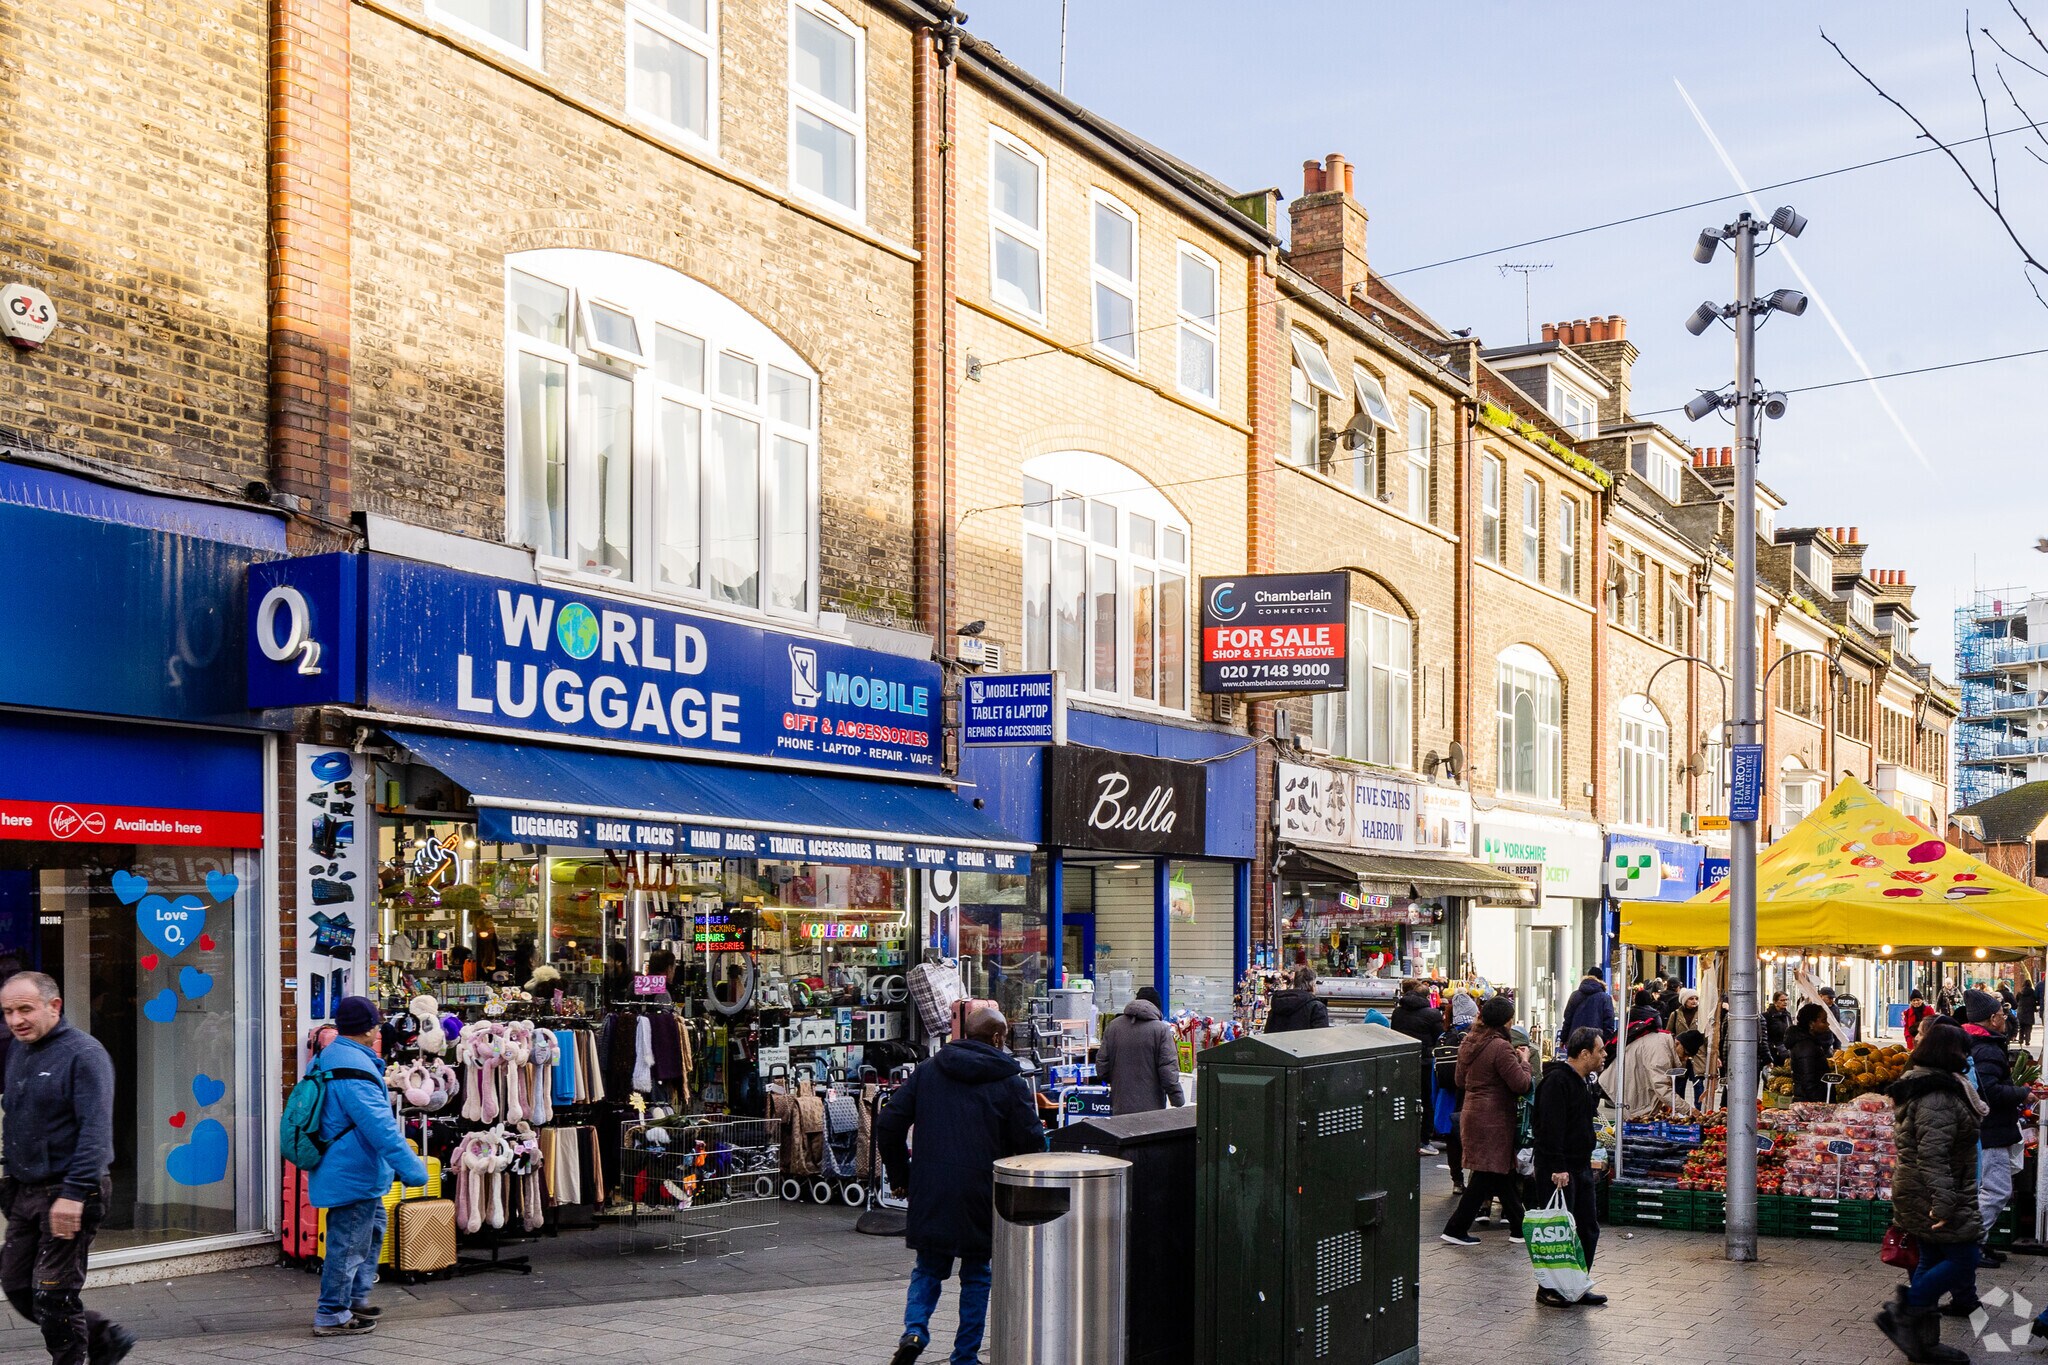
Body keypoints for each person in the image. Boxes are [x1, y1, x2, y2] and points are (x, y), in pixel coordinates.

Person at [878, 1008, 1045, 1365]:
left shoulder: (928, 1071)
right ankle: (965, 1356)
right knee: (977, 1274)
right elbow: (1032, 1142)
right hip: (983, 1192)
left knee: (928, 1268)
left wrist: (901, 1175)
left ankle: (914, 1330)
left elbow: (889, 1123)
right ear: (997, 1038)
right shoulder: (1010, 1082)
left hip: (931, 1188)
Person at [0, 973, 135, 1365]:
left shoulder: (84, 1054)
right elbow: (15, 1118)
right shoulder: (19, 1050)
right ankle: (103, 1337)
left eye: (25, 1009)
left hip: (70, 1190)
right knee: (17, 1285)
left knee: (53, 1292)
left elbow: (96, 1132)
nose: (15, 1020)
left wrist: (74, 1194)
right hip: (26, 1190)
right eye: (8, 1011)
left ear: (54, 1006)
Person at [309, 997, 430, 1338]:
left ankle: (354, 1299)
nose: (379, 1030)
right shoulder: (354, 1069)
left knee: (371, 1230)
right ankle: (332, 1313)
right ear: (368, 1029)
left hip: (346, 1165)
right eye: (377, 1024)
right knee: (348, 1244)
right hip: (352, 1169)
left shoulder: (330, 1055)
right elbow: (381, 1128)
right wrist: (413, 1170)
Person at [1875, 1019, 1981, 1365]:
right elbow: (1933, 1154)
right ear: (1951, 1052)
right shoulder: (1937, 1095)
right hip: (1933, 1189)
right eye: (1964, 1051)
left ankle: (1922, 1344)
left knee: (1932, 1258)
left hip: (1924, 1186)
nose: (1967, 1057)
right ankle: (1905, 1311)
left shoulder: (1930, 1085)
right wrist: (1944, 1202)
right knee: (1965, 1257)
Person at [1439, 997, 1532, 1248]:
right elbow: (1521, 1084)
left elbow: (1460, 1080)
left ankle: (1519, 1227)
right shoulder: (1500, 1047)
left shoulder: (1469, 1041)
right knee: (1489, 1173)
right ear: (1506, 1021)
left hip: (1472, 1113)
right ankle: (1456, 1228)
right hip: (1494, 1119)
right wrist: (1525, 1062)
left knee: (1498, 1173)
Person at [1532, 1026, 1609, 1308]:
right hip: (1560, 1169)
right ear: (1584, 1053)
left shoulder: (1583, 1081)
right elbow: (1549, 1128)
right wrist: (1558, 1167)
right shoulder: (1556, 1082)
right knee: (1558, 1231)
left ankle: (1576, 1284)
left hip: (1580, 1165)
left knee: (1587, 1228)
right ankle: (1549, 1288)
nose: (1604, 1054)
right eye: (1600, 1050)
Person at [1962, 990, 2030, 1272]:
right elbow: (1990, 1091)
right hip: (1990, 1130)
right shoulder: (1987, 1048)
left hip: (1987, 1129)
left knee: (1989, 1187)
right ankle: (1972, 1244)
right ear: (1992, 1018)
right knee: (1996, 1190)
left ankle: (1978, 1241)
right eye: (2003, 1014)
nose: (2006, 1018)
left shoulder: (1974, 1042)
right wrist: (2022, 1093)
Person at [1098, 986, 1185, 1115]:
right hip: (1151, 1109)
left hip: (1120, 1105)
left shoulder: (1113, 1026)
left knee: (1121, 1128)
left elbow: (1102, 1066)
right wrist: (1178, 1099)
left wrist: (1118, 1081)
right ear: (1156, 1007)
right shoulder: (1161, 1030)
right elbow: (1168, 1069)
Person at [1601, 1014, 1693, 1120]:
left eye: (1689, 1056)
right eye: (1686, 1053)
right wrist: (1688, 1109)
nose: (1686, 1058)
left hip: (1627, 1082)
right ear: (1677, 1044)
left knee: (1637, 1118)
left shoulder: (1663, 1042)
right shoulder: (1661, 1051)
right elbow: (1662, 1088)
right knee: (1634, 1120)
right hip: (1620, 1083)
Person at [1391, 982, 1446, 1156]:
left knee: (1404, 1099)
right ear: (1427, 997)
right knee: (1427, 1101)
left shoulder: (1398, 1012)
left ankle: (1403, 1138)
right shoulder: (1433, 1014)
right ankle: (1424, 1141)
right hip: (1425, 1061)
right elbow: (1439, 1037)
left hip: (1403, 1061)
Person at [1559, 968, 1616, 1049]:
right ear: (1601, 980)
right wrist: (1606, 1043)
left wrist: (1563, 1038)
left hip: (1575, 1041)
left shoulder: (1574, 995)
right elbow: (1609, 1023)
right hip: (1596, 1042)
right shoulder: (1605, 998)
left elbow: (1567, 1020)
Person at [1787, 1002, 1833, 1102]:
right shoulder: (1806, 1047)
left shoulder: (1811, 1043)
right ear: (1811, 1024)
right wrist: (1819, 1105)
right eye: (1824, 1021)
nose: (1827, 1024)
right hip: (1809, 1103)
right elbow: (1808, 1082)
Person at [1265, 967, 1329, 1032]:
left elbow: (1268, 1032)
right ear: (1312, 984)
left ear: (1295, 983)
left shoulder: (1278, 1002)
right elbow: (1320, 1035)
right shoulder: (1316, 1007)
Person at [1764, 991, 1793, 1063]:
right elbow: (1765, 1036)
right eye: (1782, 1000)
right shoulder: (1767, 1016)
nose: (1785, 1002)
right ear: (1775, 1002)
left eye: (1786, 1000)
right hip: (1773, 1052)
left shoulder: (1787, 1015)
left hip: (1786, 1051)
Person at [2017, 976, 2038, 1048]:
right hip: (2029, 1012)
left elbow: (2017, 1001)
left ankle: (2020, 1040)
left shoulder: (2020, 992)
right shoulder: (2032, 993)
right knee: (2028, 1027)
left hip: (2021, 1011)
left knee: (2021, 1027)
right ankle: (2027, 1041)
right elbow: (2034, 1002)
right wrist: (2035, 1009)